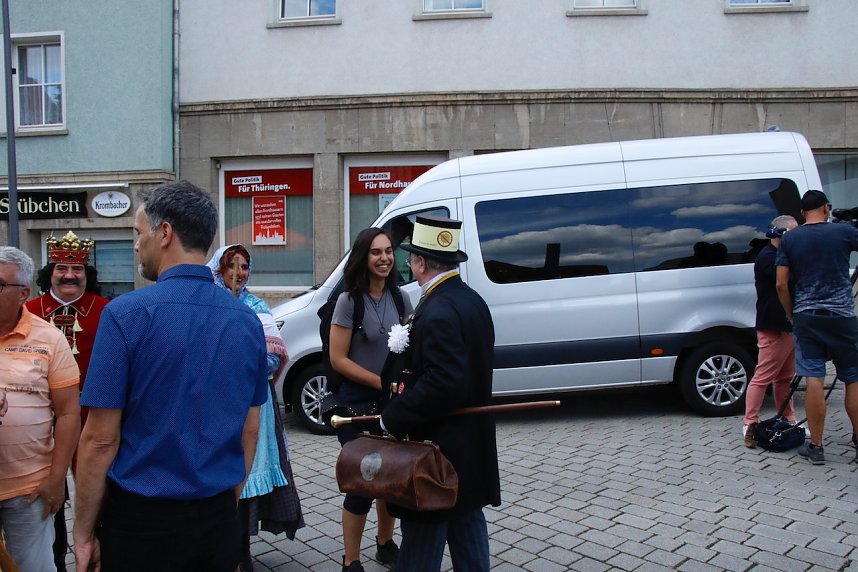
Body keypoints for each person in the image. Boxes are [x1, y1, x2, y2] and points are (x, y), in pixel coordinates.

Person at [72, 180, 270, 571]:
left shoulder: (125, 315)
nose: (135, 244)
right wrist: (225, 501)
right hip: (218, 520)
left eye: (137, 232)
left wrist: (82, 533)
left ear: (164, 233)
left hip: (142, 524)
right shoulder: (247, 321)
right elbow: (250, 429)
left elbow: (99, 439)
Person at [380, 215, 500, 572]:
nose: (407, 263)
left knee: (420, 548)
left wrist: (394, 415)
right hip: (467, 451)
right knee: (468, 537)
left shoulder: (438, 310)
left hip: (437, 457)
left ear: (420, 263)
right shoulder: (470, 300)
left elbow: (444, 384)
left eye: (411, 257)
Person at [206, 244, 304, 572]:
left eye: (244, 266)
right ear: (217, 268)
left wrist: (234, 369)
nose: (238, 272)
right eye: (230, 264)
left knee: (246, 478)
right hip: (214, 407)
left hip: (252, 406)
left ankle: (242, 550)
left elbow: (273, 356)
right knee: (218, 477)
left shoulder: (255, 305)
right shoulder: (207, 303)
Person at [25, 230, 109, 571]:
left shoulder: (108, 311)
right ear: (50, 273)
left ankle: (101, 553)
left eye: (77, 270)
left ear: (87, 274)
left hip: (94, 418)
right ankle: (53, 559)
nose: (70, 275)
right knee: (46, 493)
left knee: (99, 490)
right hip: (41, 421)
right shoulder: (27, 312)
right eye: (61, 268)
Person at [330, 227, 412, 572]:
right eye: (376, 252)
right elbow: (338, 359)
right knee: (363, 482)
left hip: (391, 401)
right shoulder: (349, 300)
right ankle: (351, 560)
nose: (384, 258)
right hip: (358, 403)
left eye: (389, 251)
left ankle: (384, 544)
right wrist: (382, 382)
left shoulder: (401, 299)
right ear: (363, 257)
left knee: (390, 479)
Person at [0, 246, 81, 572]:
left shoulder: (49, 338)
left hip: (28, 488)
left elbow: (68, 414)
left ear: (23, 292)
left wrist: (56, 479)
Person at [776, 189, 858, 465]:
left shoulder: (791, 238)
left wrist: (791, 314)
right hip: (843, 316)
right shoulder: (844, 232)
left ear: (801, 213)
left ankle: (817, 445)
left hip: (807, 315)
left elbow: (781, 283)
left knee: (814, 377)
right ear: (826, 208)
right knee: (852, 378)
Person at [743, 215, 799, 448]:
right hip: (774, 326)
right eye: (794, 233)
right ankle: (750, 424)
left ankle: (788, 419)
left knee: (785, 377)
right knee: (763, 376)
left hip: (787, 326)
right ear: (782, 234)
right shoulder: (768, 258)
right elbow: (784, 281)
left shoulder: (783, 255)